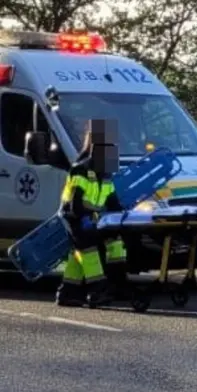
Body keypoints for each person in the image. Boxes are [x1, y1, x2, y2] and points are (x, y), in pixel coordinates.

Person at [56, 119, 127, 308]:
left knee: (111, 244)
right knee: (88, 251)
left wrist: (125, 216)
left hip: (89, 218)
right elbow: (75, 206)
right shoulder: (80, 169)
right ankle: (97, 291)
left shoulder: (105, 173)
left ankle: (68, 293)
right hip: (74, 218)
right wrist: (94, 213)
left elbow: (113, 201)